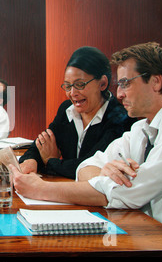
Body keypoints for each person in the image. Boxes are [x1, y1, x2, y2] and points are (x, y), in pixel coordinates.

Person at [11, 42, 162, 236]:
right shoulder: (141, 128)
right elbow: (86, 166)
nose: (119, 94)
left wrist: (41, 189)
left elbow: (130, 192)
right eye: (119, 84)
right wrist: (104, 171)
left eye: (126, 83)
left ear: (156, 81)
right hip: (146, 233)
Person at [19, 46, 135, 179]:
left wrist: (50, 162)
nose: (72, 93)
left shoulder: (120, 118)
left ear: (102, 83)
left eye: (80, 85)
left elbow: (88, 166)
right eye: (68, 86)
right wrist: (30, 160)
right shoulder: (66, 109)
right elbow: (42, 143)